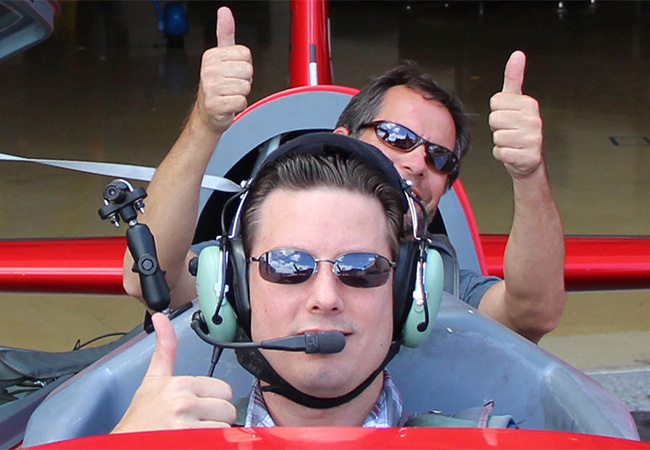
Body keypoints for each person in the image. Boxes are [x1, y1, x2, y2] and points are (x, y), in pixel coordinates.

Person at [123, 7, 564, 343]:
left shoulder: (438, 280)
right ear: (344, 140)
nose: (416, 162)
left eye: (440, 157)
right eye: (395, 136)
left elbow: (532, 317)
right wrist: (206, 122)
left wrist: (529, 173)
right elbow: (149, 276)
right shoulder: (251, 252)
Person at [113, 134, 514, 432]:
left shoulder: (491, 442)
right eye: (287, 266)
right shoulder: (159, 436)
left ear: (408, 293)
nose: (325, 298)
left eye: (362, 268)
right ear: (234, 288)